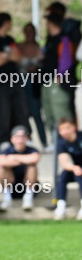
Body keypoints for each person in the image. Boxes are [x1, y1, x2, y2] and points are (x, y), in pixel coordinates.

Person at [0, 13, 28, 146]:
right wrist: (9, 55)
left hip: (15, 80)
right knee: (3, 112)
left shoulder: (10, 39)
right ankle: (3, 140)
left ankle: (25, 138)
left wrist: (4, 55)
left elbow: (18, 57)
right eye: (9, 22)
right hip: (0, 82)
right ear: (5, 23)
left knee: (21, 110)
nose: (11, 25)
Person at [41, 12, 76, 144]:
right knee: (48, 112)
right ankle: (56, 141)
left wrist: (60, 76)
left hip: (57, 81)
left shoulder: (64, 39)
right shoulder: (50, 39)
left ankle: (67, 142)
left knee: (60, 111)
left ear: (52, 23)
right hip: (46, 80)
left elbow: (66, 60)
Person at [0, 125, 39, 212]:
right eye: (17, 137)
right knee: (3, 168)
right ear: (12, 139)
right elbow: (1, 161)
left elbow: (35, 159)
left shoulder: (32, 150)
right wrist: (25, 159)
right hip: (12, 186)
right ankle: (7, 199)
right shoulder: (6, 150)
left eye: (22, 137)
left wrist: (13, 158)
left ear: (27, 138)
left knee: (32, 167)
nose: (20, 140)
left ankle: (28, 198)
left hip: (26, 185)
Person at [16, 23, 46, 148]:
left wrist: (37, 67)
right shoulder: (19, 47)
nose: (29, 33)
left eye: (31, 31)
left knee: (36, 112)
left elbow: (43, 63)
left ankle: (44, 142)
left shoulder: (39, 47)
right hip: (22, 82)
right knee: (23, 112)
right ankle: (28, 140)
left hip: (35, 84)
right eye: (27, 30)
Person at [53, 118, 82, 220]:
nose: (64, 132)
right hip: (77, 169)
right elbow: (64, 162)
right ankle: (61, 207)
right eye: (61, 130)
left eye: (67, 128)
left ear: (73, 127)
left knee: (79, 176)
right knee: (63, 175)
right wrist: (74, 167)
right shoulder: (61, 143)